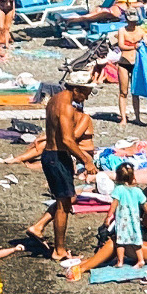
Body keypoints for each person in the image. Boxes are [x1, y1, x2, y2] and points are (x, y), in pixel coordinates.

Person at [27, 80, 98, 257]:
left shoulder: (54, 100)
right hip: (56, 157)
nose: (86, 97)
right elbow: (67, 139)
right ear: (76, 89)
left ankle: (38, 227)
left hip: (54, 155)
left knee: (68, 199)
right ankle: (59, 250)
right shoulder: (65, 106)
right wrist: (85, 160)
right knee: (63, 205)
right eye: (85, 93)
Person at [68, 163, 147, 278]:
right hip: (134, 221)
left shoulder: (119, 190)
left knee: (120, 241)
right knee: (137, 241)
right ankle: (140, 260)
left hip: (122, 221)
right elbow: (144, 205)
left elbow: (113, 206)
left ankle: (120, 261)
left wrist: (108, 217)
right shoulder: (138, 191)